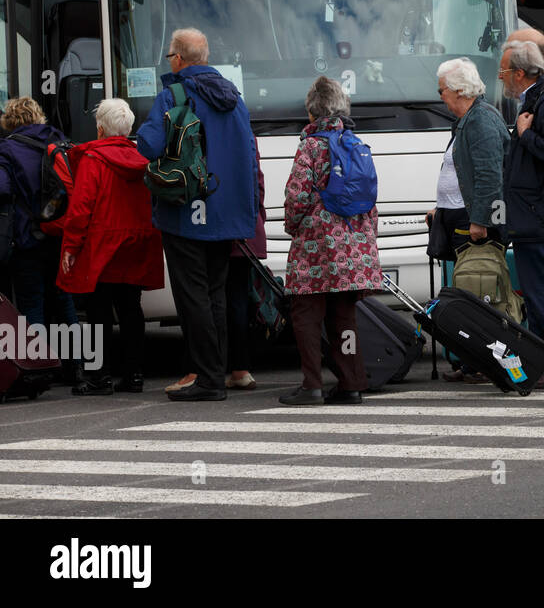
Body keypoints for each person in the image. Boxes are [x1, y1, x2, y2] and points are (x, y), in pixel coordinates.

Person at [137, 28, 259, 402]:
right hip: (224, 211)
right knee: (215, 293)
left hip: (184, 209)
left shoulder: (173, 94)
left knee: (193, 296)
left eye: (170, 56)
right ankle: (216, 371)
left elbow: (149, 143)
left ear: (178, 59)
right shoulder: (234, 98)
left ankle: (206, 378)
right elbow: (246, 156)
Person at [278, 77, 380, 405]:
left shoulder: (311, 145)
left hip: (317, 245)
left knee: (306, 313)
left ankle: (312, 384)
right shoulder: (354, 142)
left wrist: (294, 227)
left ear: (312, 111)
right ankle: (351, 383)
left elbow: (297, 195)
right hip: (355, 244)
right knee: (343, 314)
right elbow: (370, 199)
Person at [53, 99, 163, 395]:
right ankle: (134, 374)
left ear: (100, 128)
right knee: (131, 308)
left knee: (98, 311)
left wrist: (71, 248)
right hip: (137, 240)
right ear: (128, 129)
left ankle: (98, 377)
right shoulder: (143, 160)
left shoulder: (93, 159)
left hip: (102, 243)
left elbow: (81, 209)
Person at [428, 57, 510, 384]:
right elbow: (458, 170)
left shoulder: (481, 120)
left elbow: (491, 175)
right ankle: (470, 359)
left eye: (442, 91)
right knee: (463, 292)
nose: (440, 97)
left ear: (460, 90)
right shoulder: (466, 119)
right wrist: (440, 208)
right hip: (455, 215)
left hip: (471, 220)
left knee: (477, 294)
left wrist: (480, 219)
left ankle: (482, 360)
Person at [500, 38, 544, 388]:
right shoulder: (537, 98)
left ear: (519, 73)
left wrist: (525, 136)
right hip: (534, 213)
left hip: (539, 214)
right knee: (537, 292)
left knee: (543, 293)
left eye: (503, 72)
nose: (501, 80)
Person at [0, 98, 76, 333]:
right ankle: (76, 366)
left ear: (9, 121)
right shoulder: (59, 139)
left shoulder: (7, 148)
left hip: (27, 238)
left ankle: (41, 366)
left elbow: (2, 188)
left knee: (32, 303)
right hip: (60, 233)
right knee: (64, 301)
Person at [224, 143, 265, 392]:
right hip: (247, 229)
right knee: (238, 300)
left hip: (219, 231)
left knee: (217, 302)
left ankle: (209, 369)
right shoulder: (246, 135)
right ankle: (241, 368)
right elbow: (258, 183)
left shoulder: (211, 131)